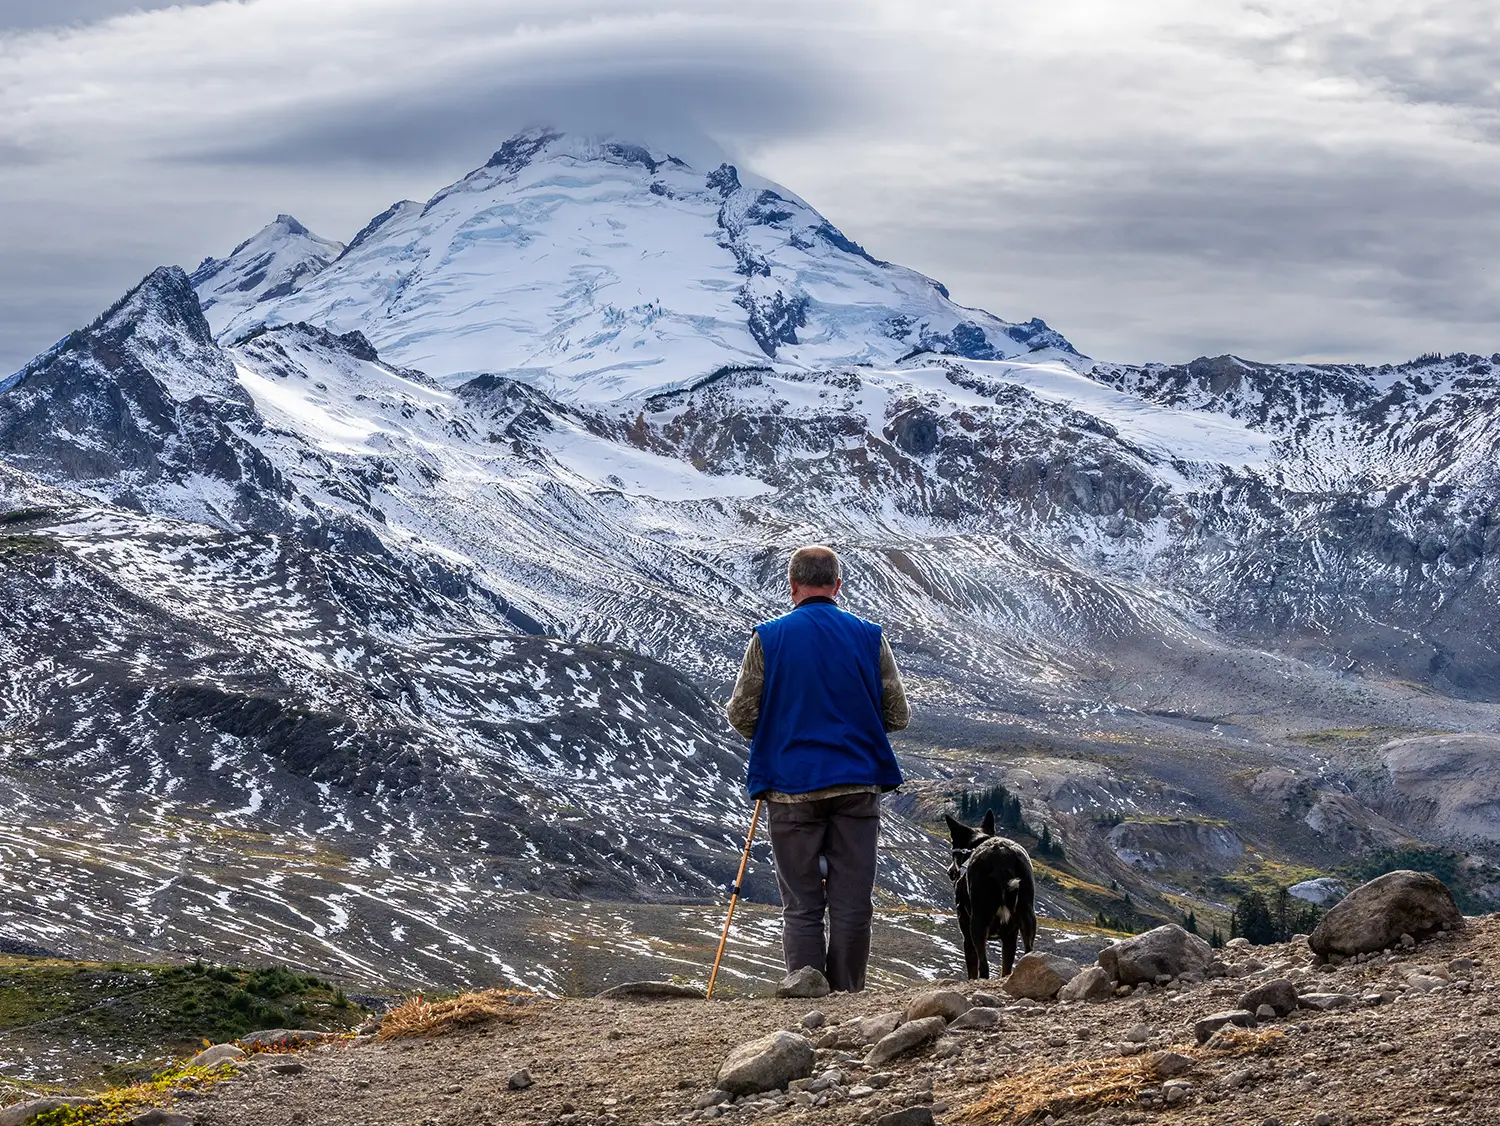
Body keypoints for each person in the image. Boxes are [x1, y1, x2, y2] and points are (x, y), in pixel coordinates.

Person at [725, 544, 910, 992]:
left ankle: (805, 994)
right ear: (837, 586)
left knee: (802, 904)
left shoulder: (768, 638)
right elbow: (897, 714)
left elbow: (741, 713)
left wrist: (782, 736)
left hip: (790, 788)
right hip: (856, 784)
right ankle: (847, 996)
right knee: (851, 902)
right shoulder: (869, 636)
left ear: (793, 587)